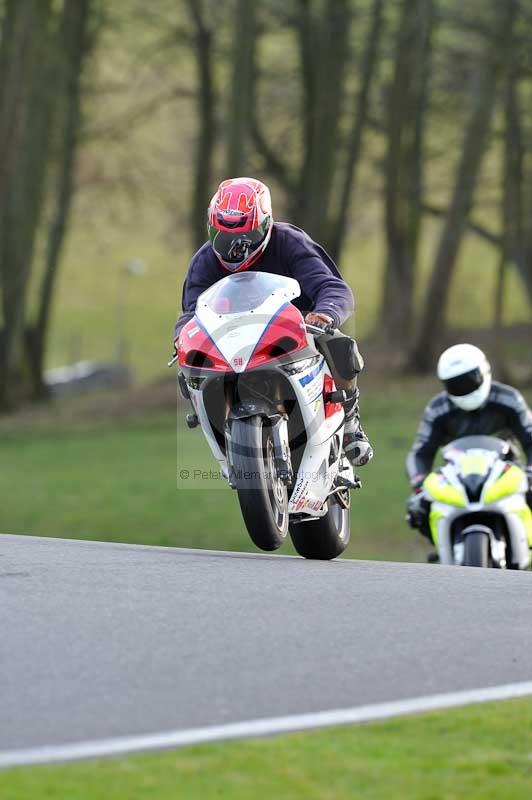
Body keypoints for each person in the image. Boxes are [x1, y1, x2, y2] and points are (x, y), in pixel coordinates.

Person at [173, 176, 373, 467]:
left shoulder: (290, 242)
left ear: (266, 225)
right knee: (188, 370)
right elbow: (192, 312)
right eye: (223, 238)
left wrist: (325, 313)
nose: (233, 250)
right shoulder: (204, 261)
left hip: (297, 331)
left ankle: (352, 423)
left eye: (244, 239)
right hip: (234, 341)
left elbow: (332, 287)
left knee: (340, 344)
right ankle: (221, 438)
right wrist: (183, 336)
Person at [406, 343, 532, 539]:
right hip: (457, 477)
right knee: (418, 510)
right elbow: (421, 452)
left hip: (507, 474)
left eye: (469, 379)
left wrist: (530, 473)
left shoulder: (510, 399)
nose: (464, 388)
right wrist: (419, 485)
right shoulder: (437, 409)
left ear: (485, 372)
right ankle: (446, 547)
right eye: (455, 384)